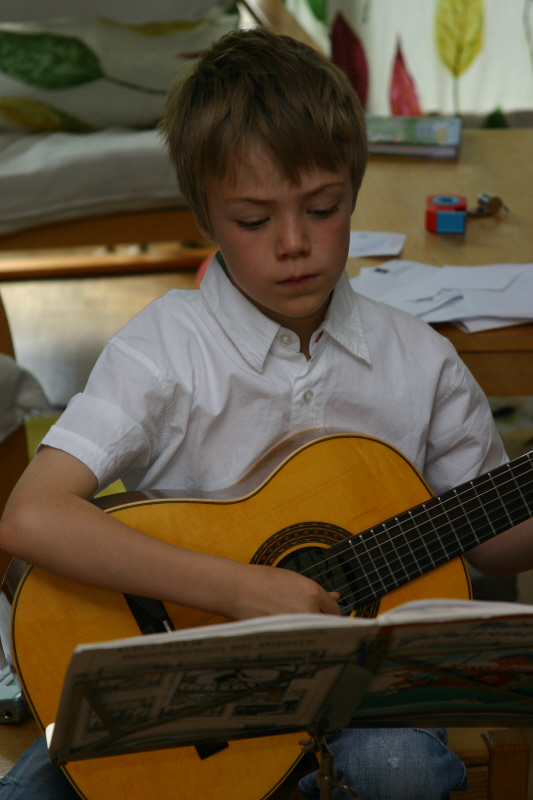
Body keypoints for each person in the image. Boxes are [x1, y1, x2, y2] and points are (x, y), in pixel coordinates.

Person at [0, 27, 531, 800]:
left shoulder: (419, 360)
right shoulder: (164, 349)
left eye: (322, 208)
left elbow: (491, 542)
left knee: (399, 770)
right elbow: (31, 518)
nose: (293, 244)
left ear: (353, 190)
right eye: (253, 220)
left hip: (363, 693)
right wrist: (236, 588)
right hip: (188, 698)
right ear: (204, 218)